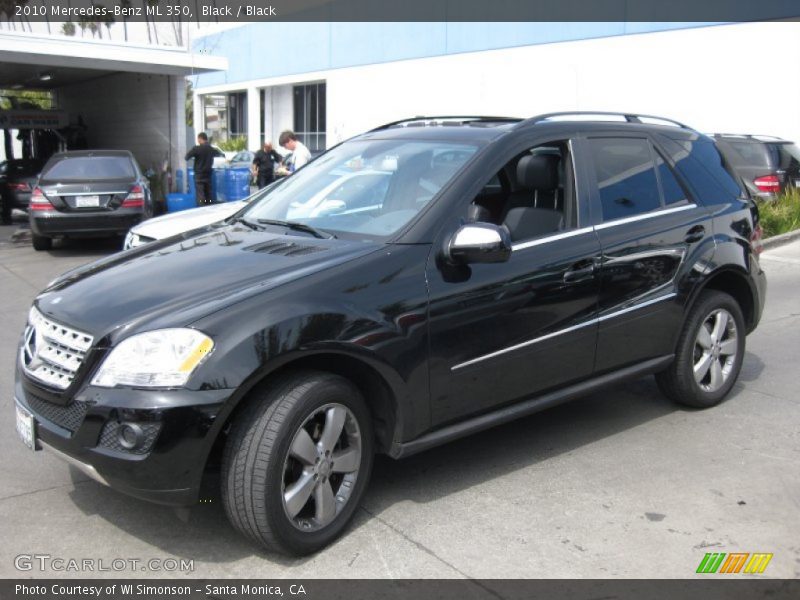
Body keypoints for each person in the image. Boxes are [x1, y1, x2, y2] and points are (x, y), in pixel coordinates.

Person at [185, 132, 223, 205]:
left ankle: (202, 208)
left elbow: (186, 157)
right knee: (208, 194)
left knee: (200, 195)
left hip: (199, 175)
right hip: (208, 175)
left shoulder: (197, 149)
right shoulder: (211, 149)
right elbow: (220, 154)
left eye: (198, 139)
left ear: (200, 139)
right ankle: (209, 206)